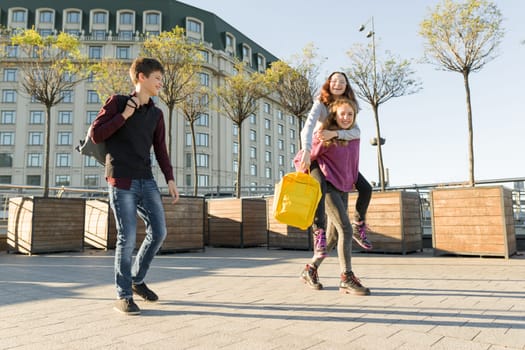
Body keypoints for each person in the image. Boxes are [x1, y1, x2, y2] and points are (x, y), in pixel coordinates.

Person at [91, 57, 180, 315]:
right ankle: (124, 294)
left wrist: (170, 178)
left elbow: (160, 149)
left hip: (146, 179)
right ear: (141, 77)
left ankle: (136, 279)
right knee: (127, 236)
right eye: (157, 79)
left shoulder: (156, 114)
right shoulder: (117, 102)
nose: (161, 83)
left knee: (159, 231)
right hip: (121, 179)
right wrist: (124, 116)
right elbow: (97, 134)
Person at [296, 97, 370, 295]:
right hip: (328, 187)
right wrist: (303, 165)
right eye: (342, 114)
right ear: (334, 116)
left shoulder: (353, 136)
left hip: (343, 186)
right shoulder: (324, 136)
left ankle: (310, 269)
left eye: (350, 114)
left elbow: (352, 163)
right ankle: (346, 277)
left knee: (334, 235)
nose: (346, 117)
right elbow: (304, 156)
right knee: (345, 228)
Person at [299, 72, 373, 262]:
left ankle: (359, 223)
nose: (338, 84)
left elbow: (356, 132)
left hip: (338, 161)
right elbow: (307, 128)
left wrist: (336, 133)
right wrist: (306, 151)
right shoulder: (320, 104)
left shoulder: (348, 106)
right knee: (319, 189)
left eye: (342, 81)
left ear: (347, 85)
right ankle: (318, 231)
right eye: (334, 81)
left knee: (365, 188)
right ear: (328, 84)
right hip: (317, 154)